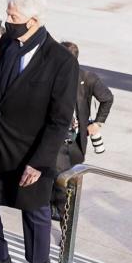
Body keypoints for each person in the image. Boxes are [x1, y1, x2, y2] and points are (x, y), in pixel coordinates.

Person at [0, 0, 78, 263]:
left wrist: (40, 162)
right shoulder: (8, 43)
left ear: (33, 21)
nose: (8, 21)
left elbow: (59, 120)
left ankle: (38, 262)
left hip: (32, 149)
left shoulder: (61, 62)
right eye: (8, 14)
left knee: (33, 207)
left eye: (13, 16)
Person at [51, 42, 113, 218]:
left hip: (76, 138)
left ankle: (61, 209)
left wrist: (98, 123)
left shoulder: (87, 78)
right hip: (56, 136)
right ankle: (59, 209)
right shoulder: (51, 75)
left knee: (67, 174)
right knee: (58, 172)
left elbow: (107, 98)